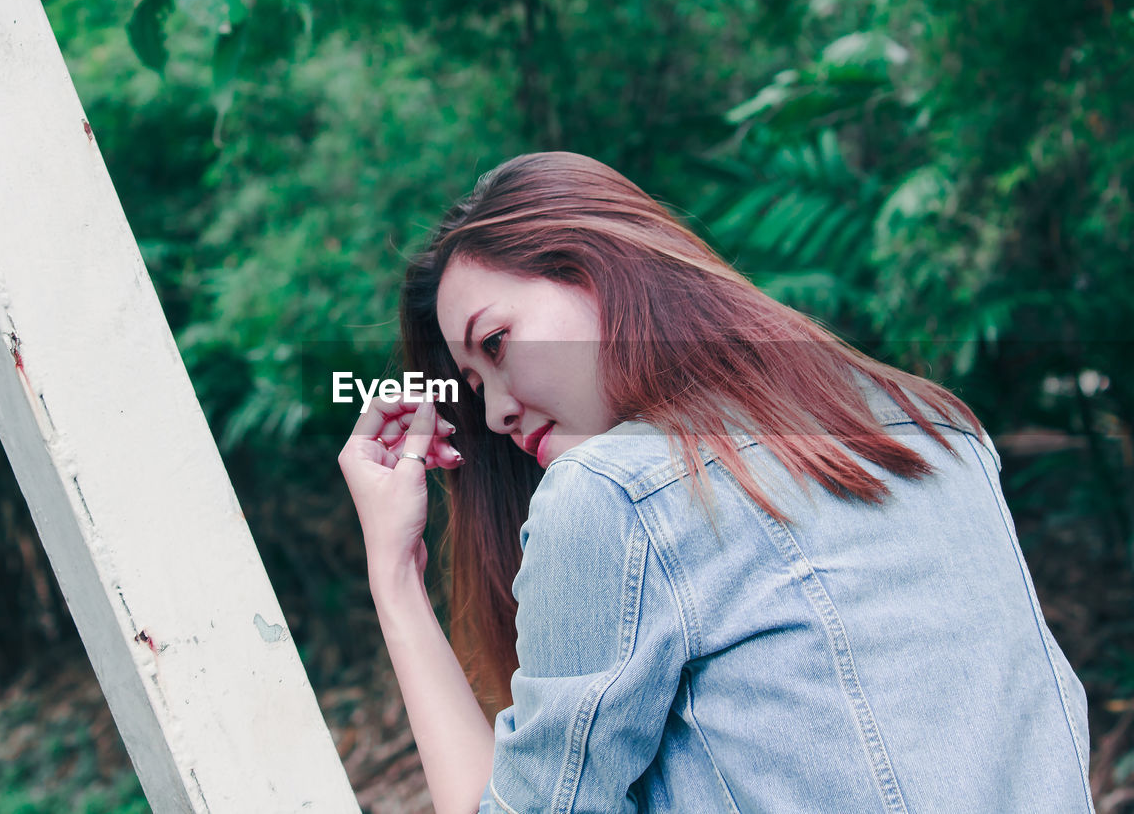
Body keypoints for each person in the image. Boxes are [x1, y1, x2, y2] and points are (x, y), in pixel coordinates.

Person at [337, 152, 1093, 813]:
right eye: (473, 385)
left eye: (497, 342)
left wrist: (394, 576)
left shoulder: (614, 494)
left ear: (598, 270)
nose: (495, 412)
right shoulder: (938, 430)